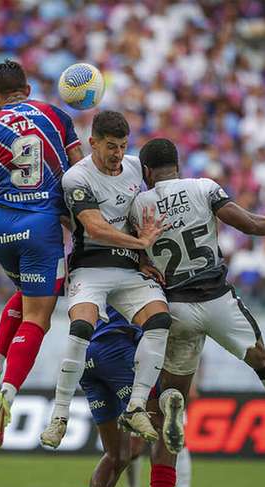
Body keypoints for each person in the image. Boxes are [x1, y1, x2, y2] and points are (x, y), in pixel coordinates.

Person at [131, 138, 265, 453]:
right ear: (177, 166)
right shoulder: (203, 187)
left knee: (175, 384)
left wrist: (142, 263)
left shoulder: (138, 205)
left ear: (147, 171)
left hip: (176, 304)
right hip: (217, 300)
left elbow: (130, 249)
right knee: (260, 357)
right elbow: (248, 225)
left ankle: (174, 414)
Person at [0, 59, 84, 449]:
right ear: (28, 89)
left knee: (26, 296)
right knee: (39, 315)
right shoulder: (54, 114)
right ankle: (8, 393)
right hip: (41, 229)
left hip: (1, 228)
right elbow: (78, 173)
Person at [40, 111, 171, 449]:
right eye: (111, 146)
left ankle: (137, 405)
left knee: (159, 320)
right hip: (90, 268)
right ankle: (59, 417)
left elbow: (136, 214)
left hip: (128, 269)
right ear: (93, 143)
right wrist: (141, 244)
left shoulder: (132, 166)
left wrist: (143, 257)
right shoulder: (76, 177)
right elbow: (96, 228)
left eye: (123, 146)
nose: (117, 154)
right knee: (81, 328)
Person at [79, 306, 184, 487]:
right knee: (164, 424)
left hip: (86, 355)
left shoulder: (90, 276)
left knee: (117, 455)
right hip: (117, 348)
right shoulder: (137, 274)